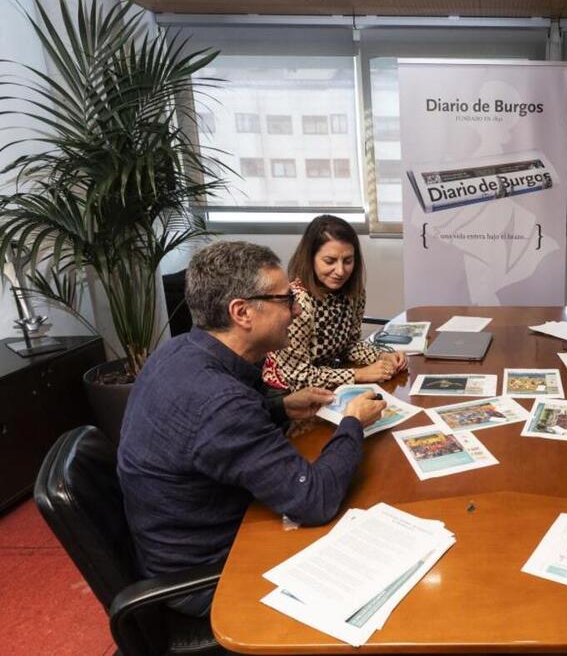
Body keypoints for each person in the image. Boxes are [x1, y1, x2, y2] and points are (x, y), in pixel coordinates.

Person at [118, 241, 386, 617]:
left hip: (179, 541)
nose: (295, 310)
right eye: (284, 300)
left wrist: (279, 406)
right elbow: (315, 501)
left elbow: (209, 436)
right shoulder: (220, 402)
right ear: (242, 312)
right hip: (211, 575)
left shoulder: (178, 351)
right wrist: (352, 422)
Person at [262, 215, 406, 392]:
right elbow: (297, 377)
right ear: (310, 258)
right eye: (329, 261)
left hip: (330, 383)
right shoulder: (297, 304)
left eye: (348, 261)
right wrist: (357, 374)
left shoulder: (355, 294)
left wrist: (382, 356)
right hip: (287, 393)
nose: (340, 271)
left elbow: (349, 346)